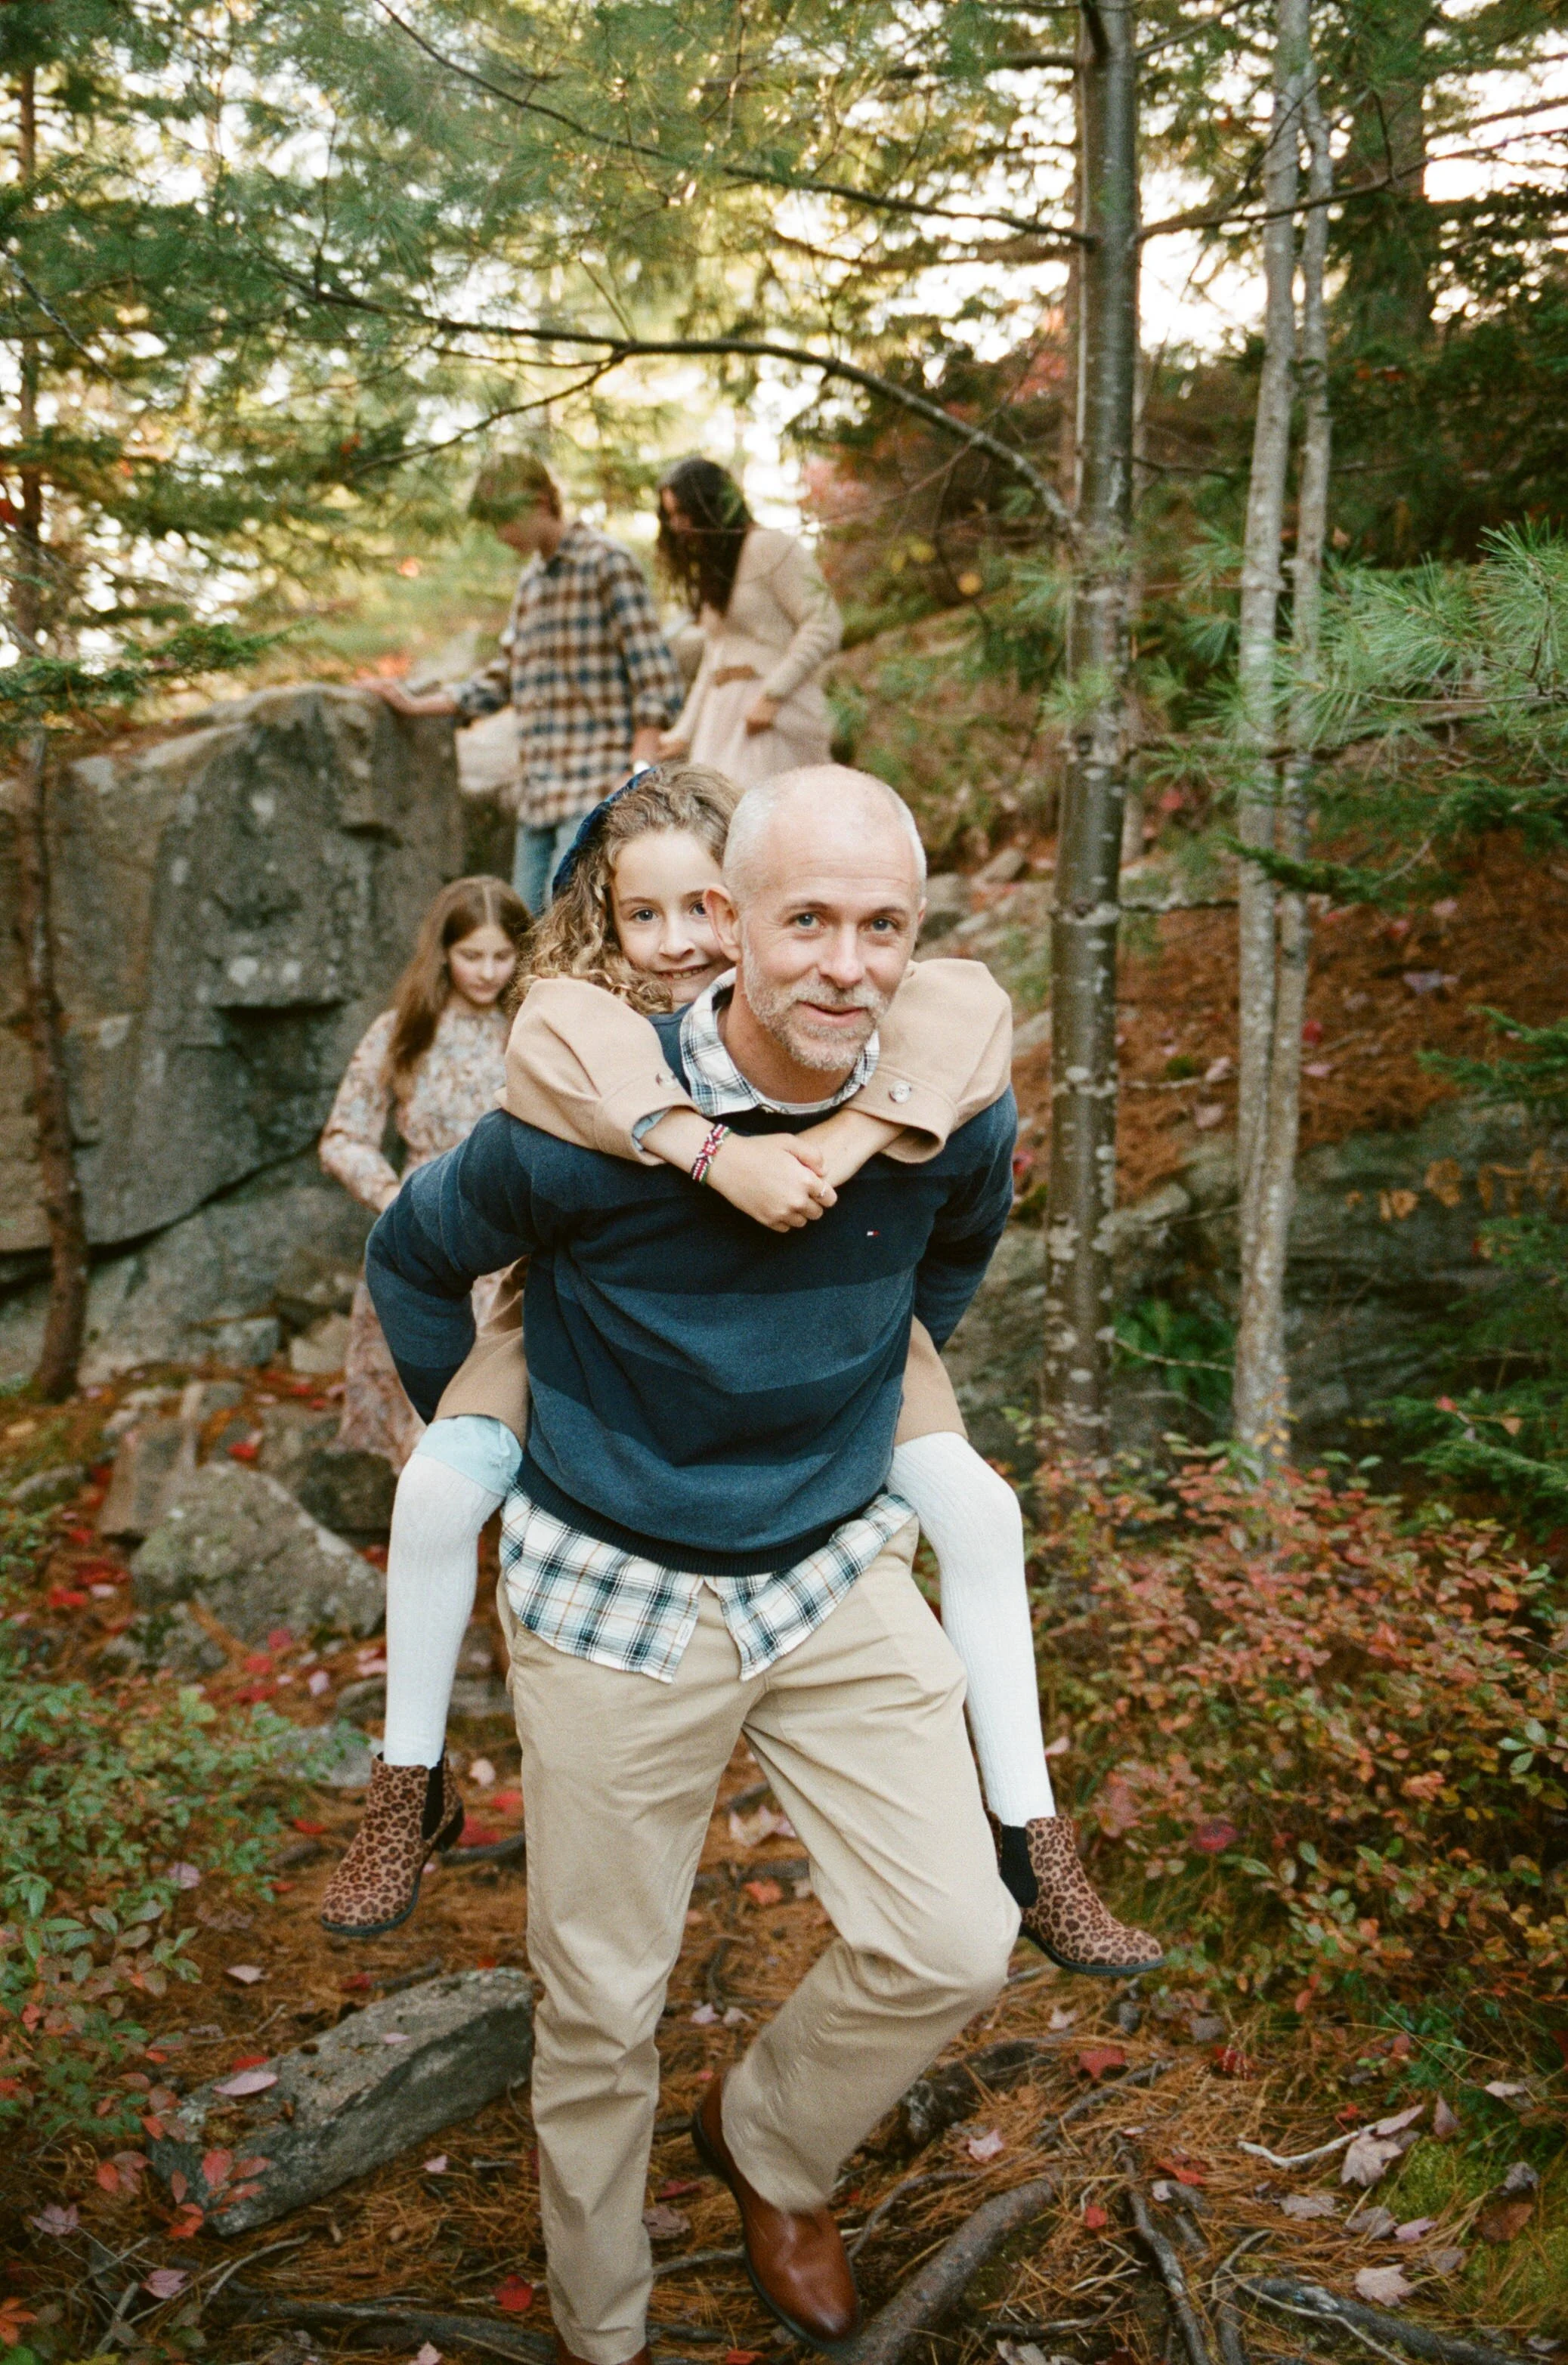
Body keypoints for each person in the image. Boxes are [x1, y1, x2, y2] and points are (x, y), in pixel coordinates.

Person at [363, 765, 1159, 2365]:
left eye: (883, 927)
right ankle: (600, 2328)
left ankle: (770, 2143)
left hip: (827, 1568)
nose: (845, 965)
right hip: (611, 1584)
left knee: (951, 1931)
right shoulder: (579, 1132)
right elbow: (415, 1257)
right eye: (805, 920)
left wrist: (854, 1386)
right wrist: (513, 1446)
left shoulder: (945, 1110)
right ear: (722, 922)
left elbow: (949, 1262)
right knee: (599, 2003)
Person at [377, 453, 684, 914]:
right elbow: (505, 676)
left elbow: (655, 676)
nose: (502, 535)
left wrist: (637, 770)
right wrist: (417, 706)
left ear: (540, 500)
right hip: (538, 797)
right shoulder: (531, 583)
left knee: (571, 925)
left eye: (505, 519)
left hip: (595, 788)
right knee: (520, 928)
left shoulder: (607, 562)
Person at [318, 876, 529, 1473]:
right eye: (471, 956)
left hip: (511, 1254)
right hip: (420, 1248)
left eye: (501, 955)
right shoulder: (402, 1031)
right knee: (426, 1453)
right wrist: (393, 1200)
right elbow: (343, 1136)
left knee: (504, 1433)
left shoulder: (532, 1029)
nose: (487, 972)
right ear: (443, 953)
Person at [657, 457, 841, 787]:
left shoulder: (768, 546)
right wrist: (684, 731)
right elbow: (715, 659)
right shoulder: (716, 568)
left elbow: (823, 622)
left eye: (683, 513)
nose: (678, 526)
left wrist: (773, 695)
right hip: (722, 726)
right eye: (671, 516)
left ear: (709, 506)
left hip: (771, 723)